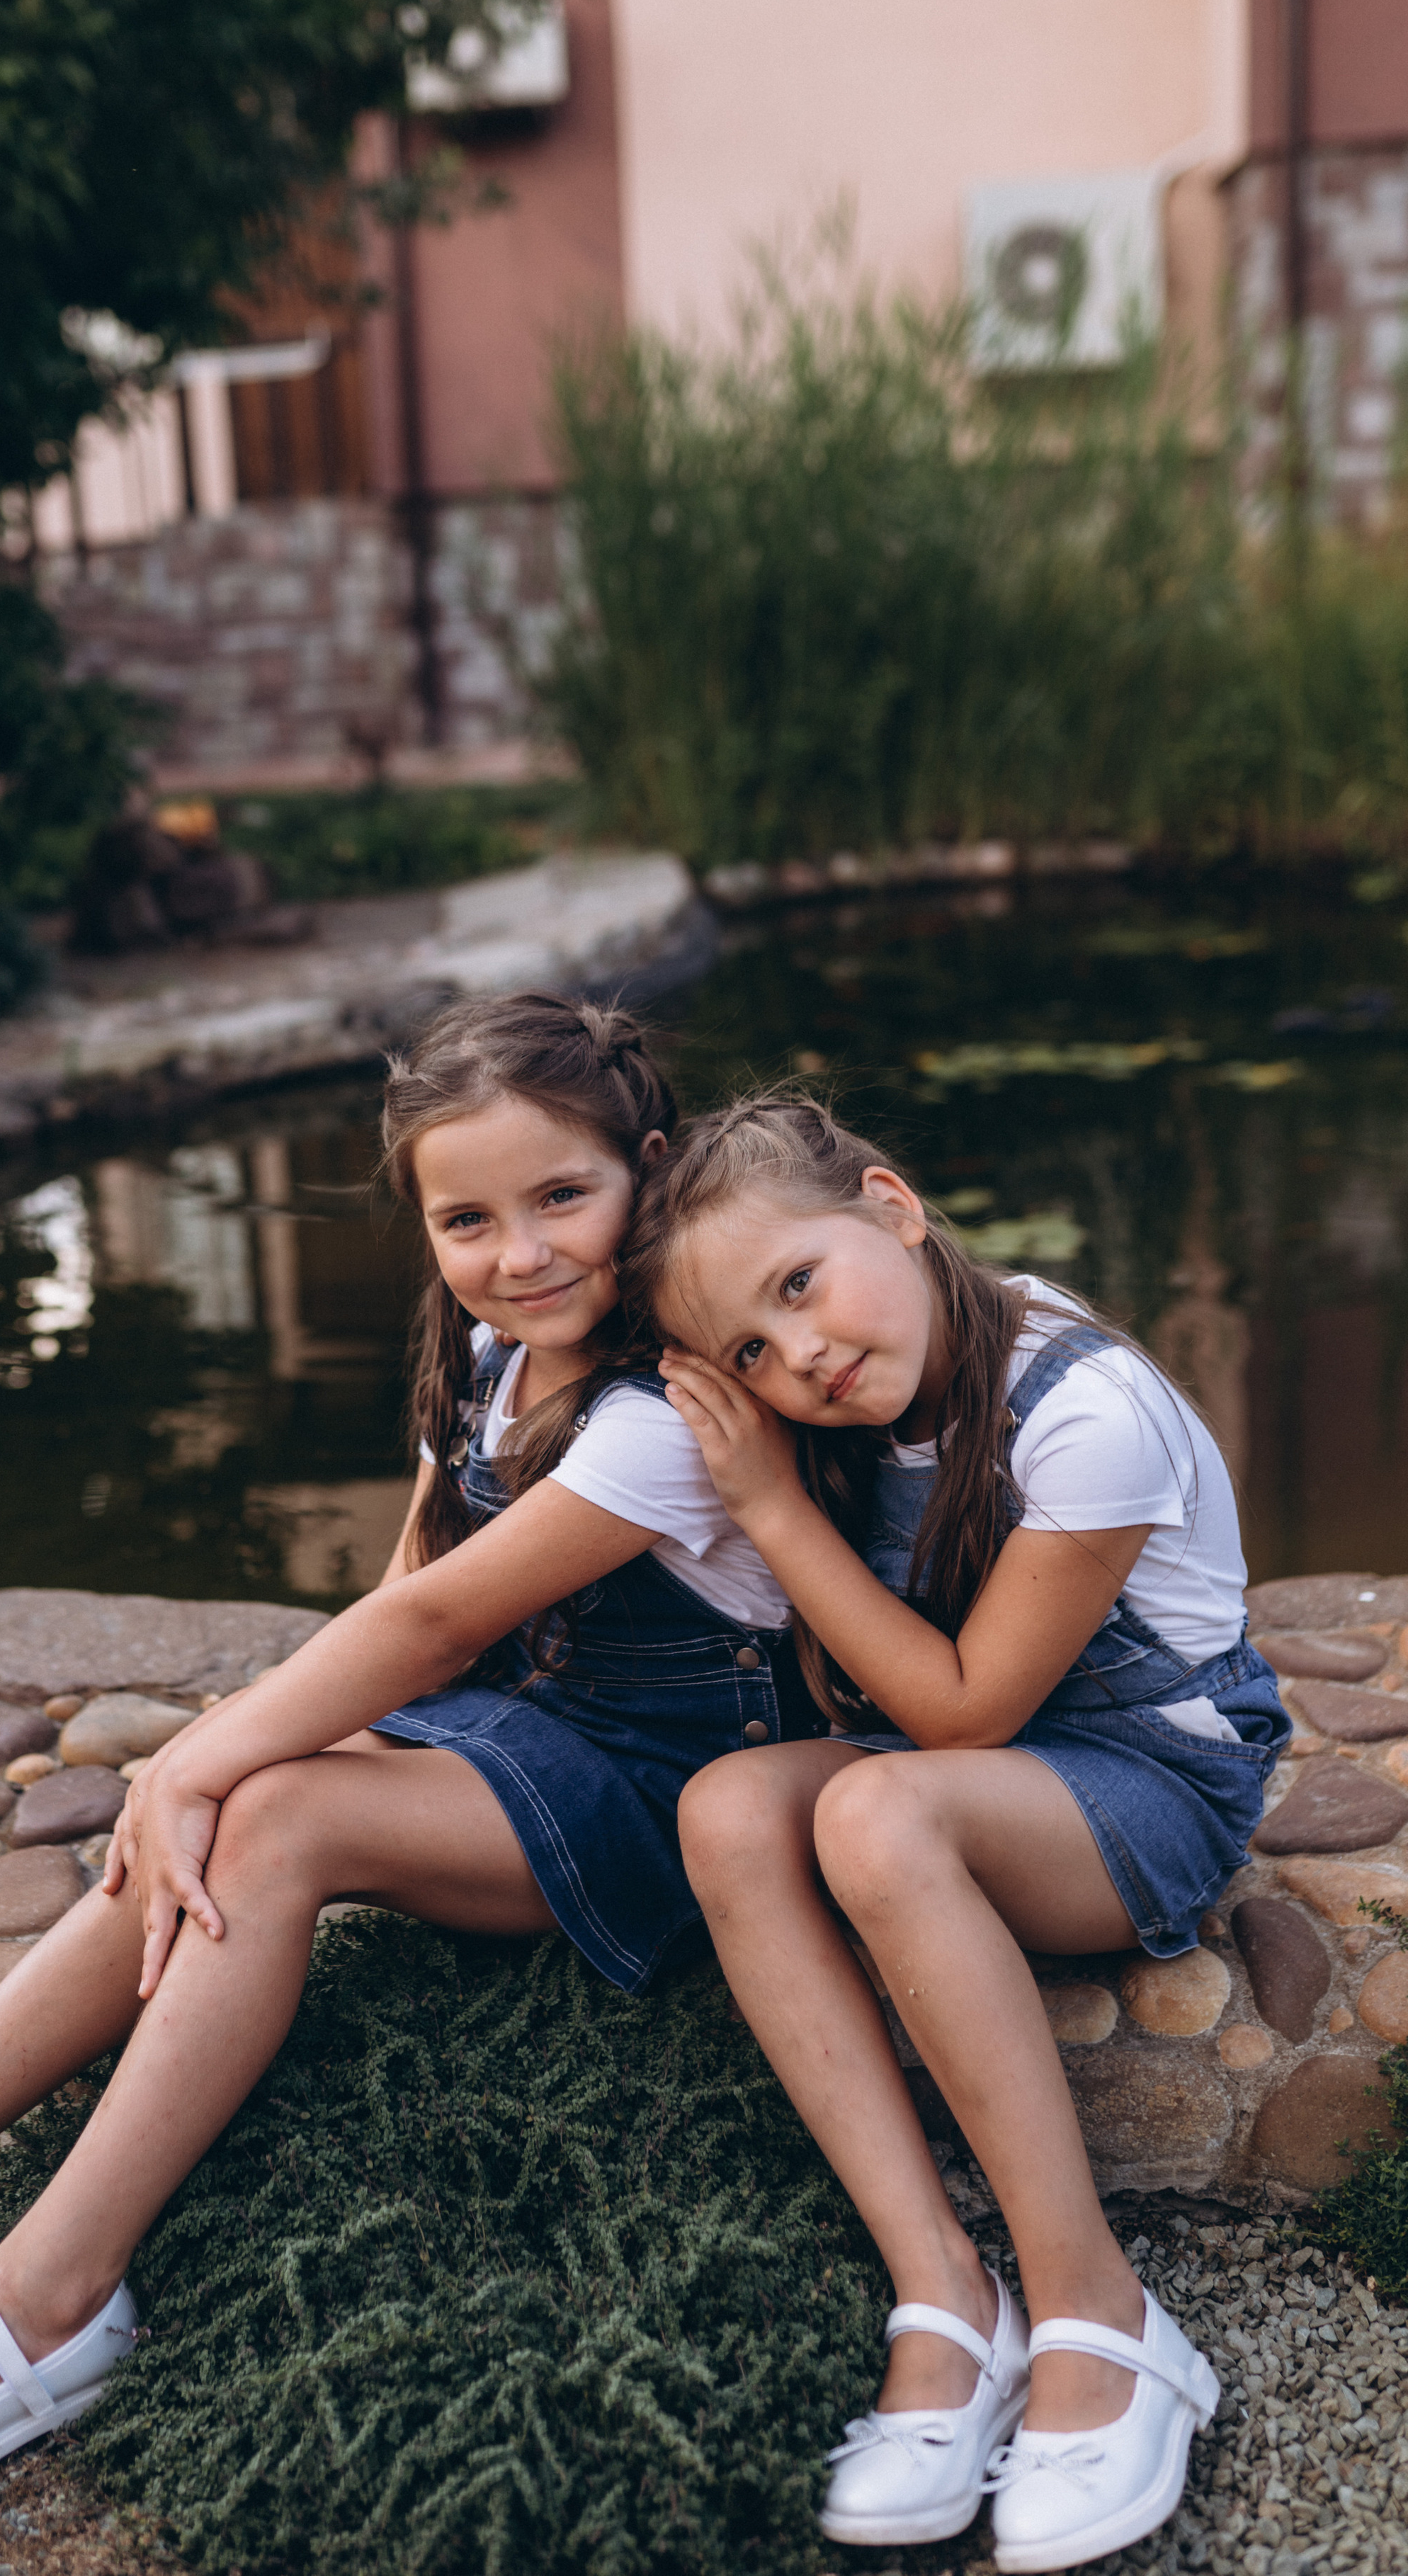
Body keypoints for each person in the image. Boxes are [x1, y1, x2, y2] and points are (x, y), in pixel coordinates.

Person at [0, 993, 812, 2520]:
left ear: (646, 1174)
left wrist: (198, 1758)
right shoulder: (486, 1349)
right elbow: (411, 1591)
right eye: (468, 1218)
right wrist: (229, 1761)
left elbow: (442, 1623)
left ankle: (54, 2300)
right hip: (529, 1741)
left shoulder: (663, 1411)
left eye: (562, 1199)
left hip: (665, 1796)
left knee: (255, 1816)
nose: (518, 1253)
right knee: (228, 1803)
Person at [618, 1090, 1286, 2575]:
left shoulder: (1082, 1407)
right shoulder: (870, 1400)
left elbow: (966, 1707)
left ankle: (1096, 2313)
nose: (797, 1354)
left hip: (1147, 1784)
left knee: (868, 1804)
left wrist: (769, 1510)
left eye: (798, 1284)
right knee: (727, 1809)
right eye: (746, 1352)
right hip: (972, 1769)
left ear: (890, 1206)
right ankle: (944, 2295)